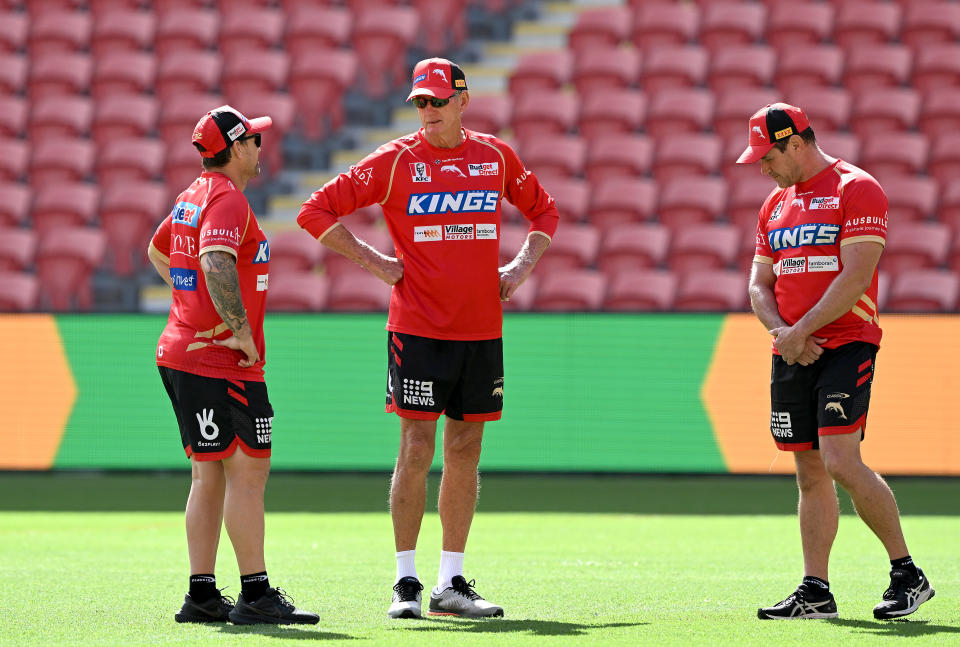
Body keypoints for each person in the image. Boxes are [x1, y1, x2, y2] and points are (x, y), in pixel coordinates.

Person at [297, 58, 559, 619]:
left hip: (481, 329)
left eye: (437, 101)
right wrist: (376, 262)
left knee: (465, 449)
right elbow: (314, 211)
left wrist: (517, 269)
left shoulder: (494, 156)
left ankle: (452, 582)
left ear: (462, 101)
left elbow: (545, 214)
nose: (428, 111)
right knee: (416, 448)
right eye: (420, 102)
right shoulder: (394, 161)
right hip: (416, 328)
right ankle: (406, 583)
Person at [740, 103, 935, 620]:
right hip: (791, 348)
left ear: (796, 143)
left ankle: (907, 573)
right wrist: (784, 335)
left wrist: (800, 332)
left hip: (847, 342)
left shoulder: (857, 188)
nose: (763, 167)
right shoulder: (774, 205)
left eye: (767, 156)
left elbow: (855, 276)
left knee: (839, 459)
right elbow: (759, 284)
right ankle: (815, 591)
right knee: (808, 470)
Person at [148, 105, 319, 625]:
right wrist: (237, 330)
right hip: (220, 361)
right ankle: (256, 593)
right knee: (248, 470)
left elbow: (160, 252)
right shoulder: (227, 199)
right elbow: (216, 261)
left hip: (183, 352)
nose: (260, 148)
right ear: (238, 147)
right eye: (255, 141)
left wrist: (190, 310)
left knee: (208, 474)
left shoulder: (191, 197)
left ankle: (202, 595)